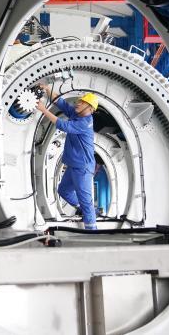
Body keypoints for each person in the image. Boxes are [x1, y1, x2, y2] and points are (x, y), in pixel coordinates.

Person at [35, 82, 99, 230]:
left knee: (86, 202)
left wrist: (43, 110)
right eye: (80, 101)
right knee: (63, 191)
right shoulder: (77, 114)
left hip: (83, 168)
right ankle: (86, 210)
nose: (78, 103)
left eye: (83, 102)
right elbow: (61, 103)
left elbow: (64, 126)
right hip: (73, 165)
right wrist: (47, 89)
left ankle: (92, 231)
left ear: (90, 109)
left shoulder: (85, 123)